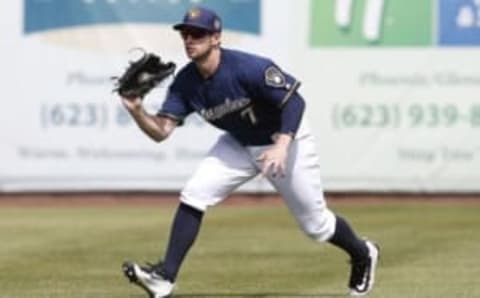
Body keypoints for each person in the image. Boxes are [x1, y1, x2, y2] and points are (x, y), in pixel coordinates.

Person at [120, 6, 379, 298]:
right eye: (185, 33)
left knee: (316, 226)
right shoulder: (186, 82)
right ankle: (164, 277)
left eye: (198, 34)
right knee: (195, 193)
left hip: (284, 138)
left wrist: (282, 146)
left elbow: (295, 103)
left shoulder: (248, 67)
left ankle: (363, 253)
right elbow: (161, 131)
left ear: (216, 38)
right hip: (240, 142)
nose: (189, 39)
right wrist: (137, 110)